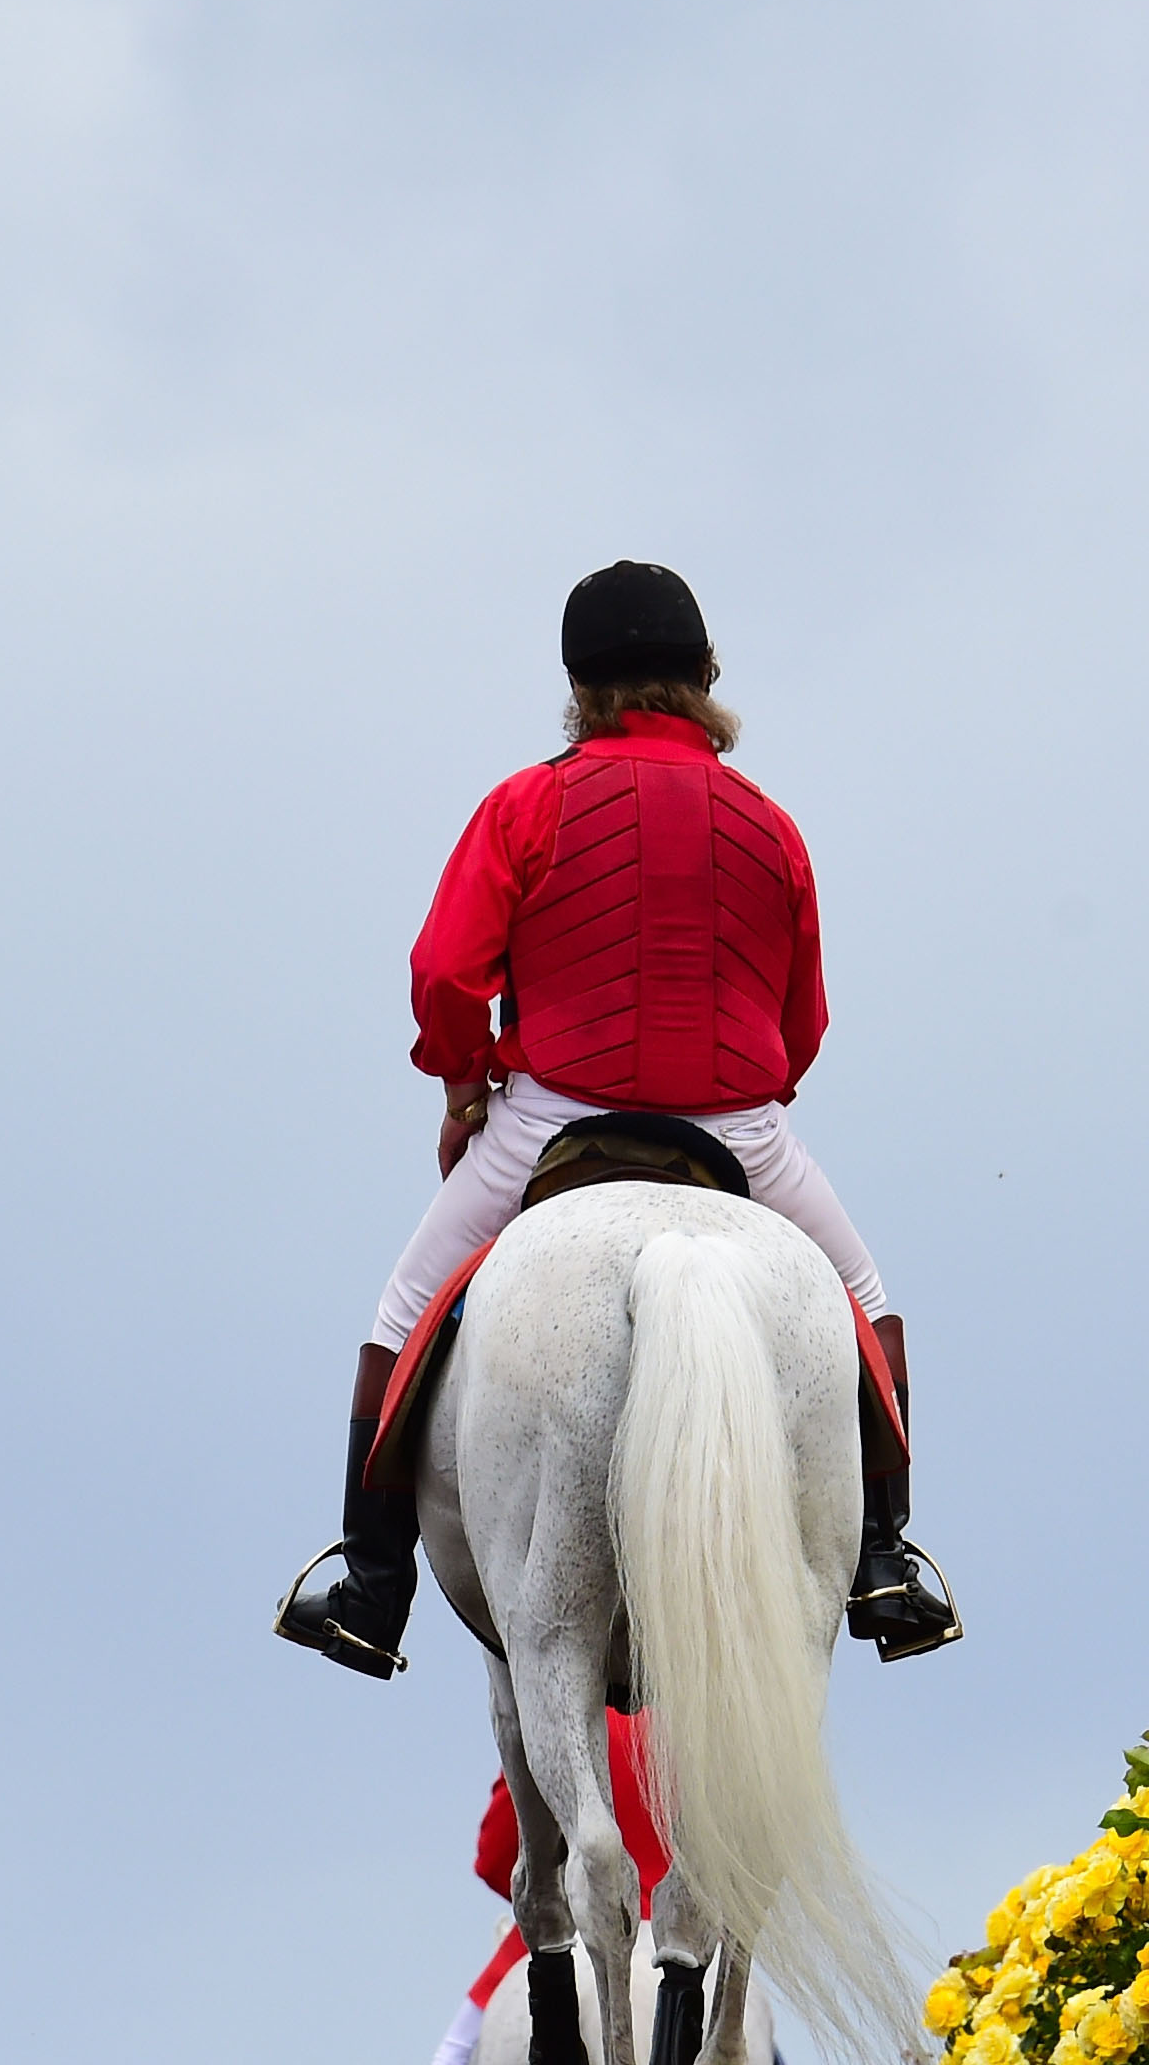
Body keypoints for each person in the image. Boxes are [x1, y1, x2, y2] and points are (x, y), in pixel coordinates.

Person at [276, 557, 957, 1677]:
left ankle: (371, 1584)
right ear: (704, 676)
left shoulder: (524, 804)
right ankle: (884, 1558)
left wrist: (463, 1087)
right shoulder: (772, 825)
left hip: (550, 1116)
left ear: (578, 690)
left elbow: (444, 971)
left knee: (399, 1318)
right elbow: (803, 1021)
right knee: (865, 1306)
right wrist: (741, 1090)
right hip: (737, 1128)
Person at [391, 1715, 811, 2065]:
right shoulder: (700, 1722)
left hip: (559, 1943)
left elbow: (496, 1859)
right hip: (684, 1949)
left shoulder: (551, 1717)